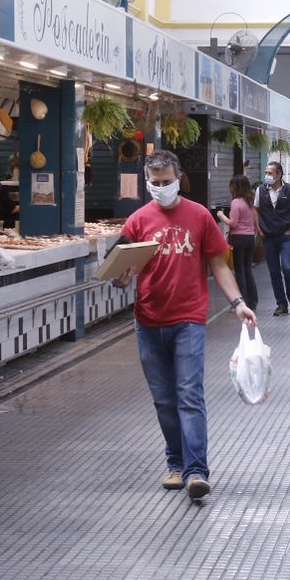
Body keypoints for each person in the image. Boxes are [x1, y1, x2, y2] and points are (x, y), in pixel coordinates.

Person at [115, 150, 257, 500]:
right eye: (155, 182)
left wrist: (237, 303)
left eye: (166, 181)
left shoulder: (199, 217)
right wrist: (120, 277)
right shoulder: (137, 220)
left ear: (179, 178)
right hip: (148, 320)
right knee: (164, 399)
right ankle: (175, 463)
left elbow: (219, 265)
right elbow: (118, 269)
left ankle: (196, 471)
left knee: (189, 394)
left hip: (189, 319)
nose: (161, 187)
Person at [255, 161, 290, 316]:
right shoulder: (260, 190)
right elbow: (256, 209)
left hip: (285, 236)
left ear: (279, 174)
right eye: (266, 173)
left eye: (270, 173)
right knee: (274, 271)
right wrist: (258, 228)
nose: (267, 176)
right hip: (268, 236)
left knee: (287, 267)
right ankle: (281, 304)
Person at [217, 174, 259, 312]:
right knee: (248, 270)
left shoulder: (236, 203)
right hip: (250, 239)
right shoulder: (250, 202)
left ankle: (241, 303)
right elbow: (254, 223)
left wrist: (221, 216)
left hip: (238, 239)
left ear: (235, 187)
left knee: (239, 270)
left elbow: (233, 223)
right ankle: (253, 301)